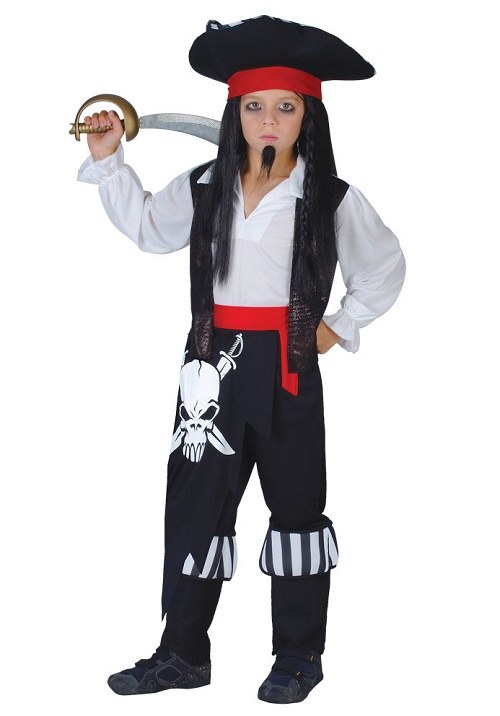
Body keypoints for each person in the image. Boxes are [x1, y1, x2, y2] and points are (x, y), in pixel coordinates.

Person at [77, 16, 405, 704]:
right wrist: (109, 161)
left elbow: (384, 267)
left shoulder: (330, 197)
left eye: (285, 107)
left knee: (296, 508)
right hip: (209, 366)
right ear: (236, 113)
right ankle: (181, 653)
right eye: (254, 106)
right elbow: (148, 227)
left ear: (308, 117)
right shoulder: (204, 186)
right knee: (198, 505)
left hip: (288, 366)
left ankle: (298, 655)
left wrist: (337, 327)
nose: (268, 120)